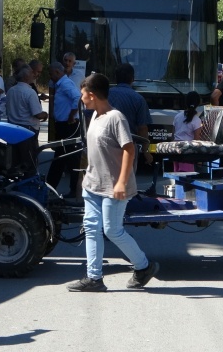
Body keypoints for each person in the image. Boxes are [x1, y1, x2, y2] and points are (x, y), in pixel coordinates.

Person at [67, 73, 159, 292]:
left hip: (114, 187)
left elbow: (129, 149)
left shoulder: (116, 117)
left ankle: (144, 267)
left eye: (82, 95)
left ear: (91, 94)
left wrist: (121, 182)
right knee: (91, 228)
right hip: (93, 185)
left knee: (112, 230)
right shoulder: (95, 117)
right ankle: (94, 278)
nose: (81, 99)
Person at [46, 62, 82, 198]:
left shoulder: (65, 84)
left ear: (57, 72)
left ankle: (74, 190)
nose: (50, 77)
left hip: (68, 126)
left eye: (50, 74)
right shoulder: (60, 84)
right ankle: (50, 186)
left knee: (71, 157)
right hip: (63, 125)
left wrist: (72, 115)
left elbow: (77, 98)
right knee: (60, 157)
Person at [108, 63, 153, 164]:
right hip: (128, 147)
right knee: (127, 178)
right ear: (132, 79)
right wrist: (146, 151)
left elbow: (90, 116)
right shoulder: (138, 99)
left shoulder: (104, 95)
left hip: (106, 145)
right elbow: (142, 128)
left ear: (115, 78)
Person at [6, 65, 48, 172]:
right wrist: (45, 114)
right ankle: (27, 185)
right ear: (26, 78)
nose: (33, 76)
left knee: (14, 161)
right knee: (28, 163)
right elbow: (37, 114)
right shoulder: (30, 92)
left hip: (12, 129)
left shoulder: (11, 91)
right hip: (27, 131)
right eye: (31, 74)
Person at [172, 91, 202, 172]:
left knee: (177, 174)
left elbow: (173, 134)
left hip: (175, 149)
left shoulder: (177, 117)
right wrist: (198, 159)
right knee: (187, 177)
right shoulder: (197, 120)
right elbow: (196, 140)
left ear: (186, 102)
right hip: (187, 152)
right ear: (198, 104)